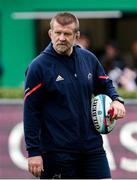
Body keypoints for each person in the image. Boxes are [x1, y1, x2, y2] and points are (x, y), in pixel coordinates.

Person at [23, 12, 126, 179]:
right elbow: (31, 112)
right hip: (57, 154)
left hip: (92, 149)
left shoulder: (89, 59)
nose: (62, 38)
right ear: (51, 34)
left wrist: (116, 100)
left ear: (76, 36)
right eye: (57, 33)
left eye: (67, 33)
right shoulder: (38, 67)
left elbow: (105, 84)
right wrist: (33, 152)